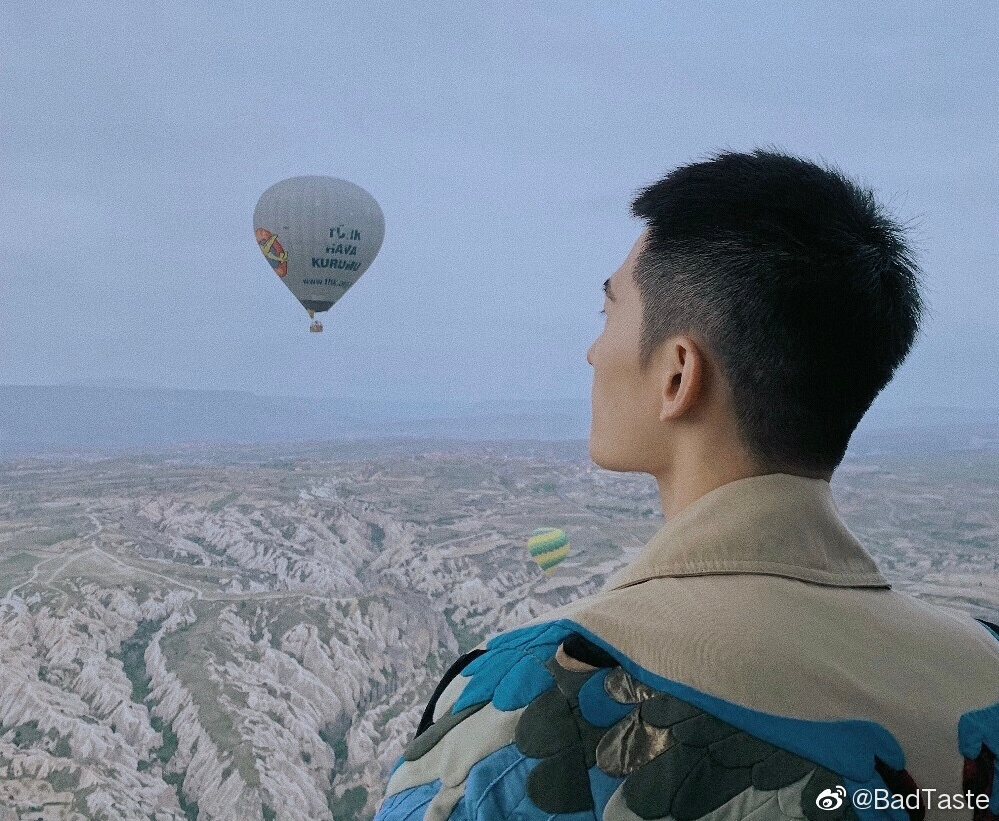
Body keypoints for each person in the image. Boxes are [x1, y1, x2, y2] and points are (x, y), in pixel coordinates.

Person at [373, 150, 999, 821]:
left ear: (677, 375)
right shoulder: (984, 660)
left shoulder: (544, 697)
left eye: (607, 312)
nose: (591, 351)